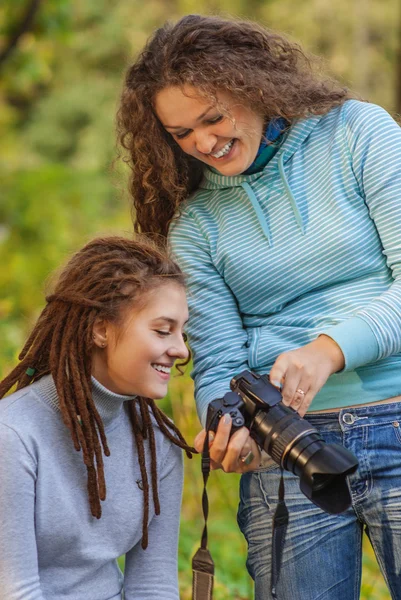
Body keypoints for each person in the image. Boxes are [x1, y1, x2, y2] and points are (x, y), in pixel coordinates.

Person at [116, 14, 401, 599]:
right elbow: (218, 355)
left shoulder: (357, 133)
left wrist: (329, 352)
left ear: (256, 87)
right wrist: (226, 419)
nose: (201, 142)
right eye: (180, 133)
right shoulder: (195, 225)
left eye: (213, 117)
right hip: (287, 452)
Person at [0, 235, 193, 600]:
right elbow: (15, 591)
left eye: (182, 331)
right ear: (100, 329)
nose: (181, 349)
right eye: (163, 330)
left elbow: (152, 586)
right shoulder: (12, 435)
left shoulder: (157, 444)